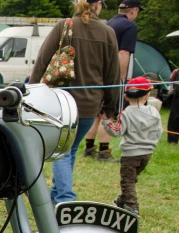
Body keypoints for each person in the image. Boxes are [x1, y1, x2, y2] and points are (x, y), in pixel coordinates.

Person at [30, 0, 120, 205]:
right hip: (90, 104)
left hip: (61, 102)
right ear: (98, 5)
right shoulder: (108, 33)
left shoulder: (64, 26)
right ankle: (59, 196)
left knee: (63, 150)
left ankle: (64, 198)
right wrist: (110, 106)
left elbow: (42, 60)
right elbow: (113, 75)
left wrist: (31, 91)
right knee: (68, 150)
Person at [84, 0, 143, 162]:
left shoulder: (108, 24)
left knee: (96, 112)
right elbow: (123, 53)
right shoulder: (130, 27)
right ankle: (103, 152)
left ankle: (89, 148)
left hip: (97, 74)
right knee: (109, 113)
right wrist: (121, 78)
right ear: (134, 10)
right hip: (112, 76)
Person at [102, 76, 162, 215]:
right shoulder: (154, 111)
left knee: (127, 181)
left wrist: (106, 122)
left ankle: (132, 207)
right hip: (147, 154)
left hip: (130, 155)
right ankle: (121, 201)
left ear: (126, 97)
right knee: (131, 179)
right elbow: (159, 131)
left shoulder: (127, 113)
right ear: (147, 95)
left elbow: (117, 132)